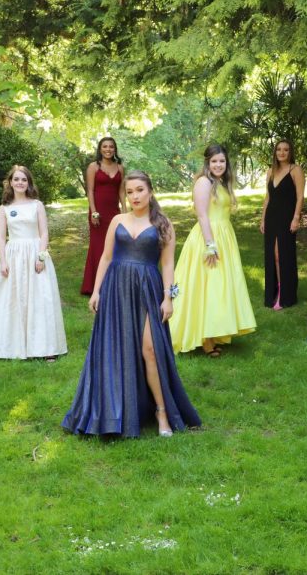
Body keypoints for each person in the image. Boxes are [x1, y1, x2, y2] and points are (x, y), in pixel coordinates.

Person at [62, 171, 201, 437]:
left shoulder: (163, 224)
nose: (135, 196)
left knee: (150, 349)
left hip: (147, 288)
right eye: (129, 192)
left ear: (150, 191)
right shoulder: (117, 220)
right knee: (117, 347)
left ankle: (162, 412)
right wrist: (96, 291)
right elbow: (105, 258)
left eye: (139, 190)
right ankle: (117, 410)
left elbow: (168, 264)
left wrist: (168, 297)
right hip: (116, 288)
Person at [169, 145, 257, 356]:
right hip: (208, 238)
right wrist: (210, 245)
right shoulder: (203, 182)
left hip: (224, 236)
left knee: (219, 287)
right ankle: (205, 340)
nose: (218, 165)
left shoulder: (221, 183)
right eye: (214, 161)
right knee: (208, 287)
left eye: (222, 161)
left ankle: (214, 330)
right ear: (207, 163)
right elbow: (202, 215)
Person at [0, 166, 67, 360]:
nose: (20, 183)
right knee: (14, 300)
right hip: (14, 256)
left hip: (35, 253)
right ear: (10, 182)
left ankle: (46, 348)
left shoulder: (37, 205)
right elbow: (1, 238)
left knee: (40, 299)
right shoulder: (5, 208)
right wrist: (3, 261)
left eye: (24, 180)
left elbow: (44, 232)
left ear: (28, 183)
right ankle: (11, 346)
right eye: (16, 179)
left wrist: (41, 256)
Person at [260, 139, 304, 309]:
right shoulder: (270, 171)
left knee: (282, 256)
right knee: (272, 256)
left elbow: (300, 196)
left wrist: (296, 217)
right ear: (275, 152)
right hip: (271, 218)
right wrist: (263, 218)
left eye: (285, 149)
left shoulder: (296, 170)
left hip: (287, 218)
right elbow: (268, 197)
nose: (282, 152)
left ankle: (285, 295)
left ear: (290, 152)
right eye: (279, 149)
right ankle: (274, 291)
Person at [80, 137, 125, 294]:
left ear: (114, 149)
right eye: (105, 146)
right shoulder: (93, 167)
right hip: (98, 212)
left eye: (111, 146)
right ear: (100, 149)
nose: (108, 149)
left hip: (114, 212)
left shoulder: (120, 168)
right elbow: (90, 191)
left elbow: (121, 191)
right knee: (98, 247)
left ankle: (112, 282)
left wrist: (125, 211)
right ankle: (93, 286)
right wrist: (94, 212)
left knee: (115, 246)